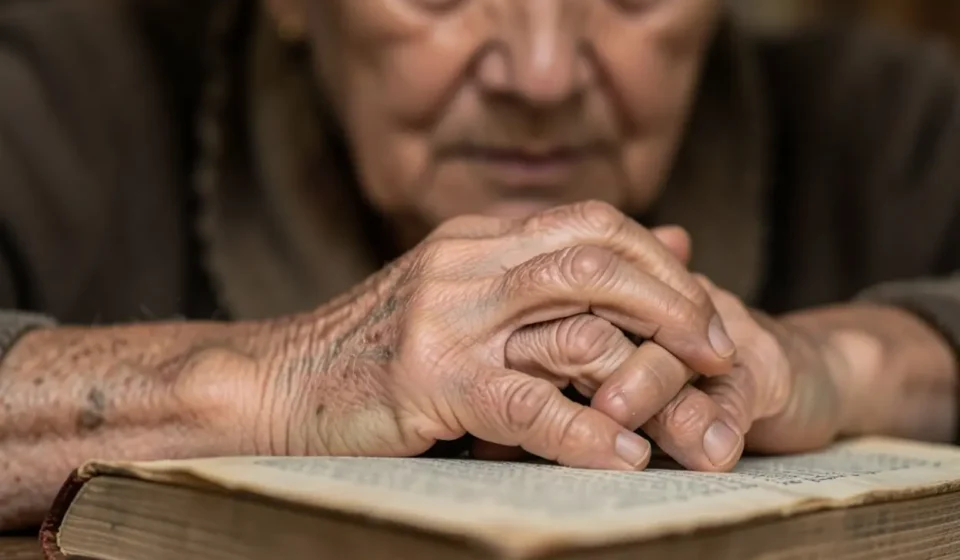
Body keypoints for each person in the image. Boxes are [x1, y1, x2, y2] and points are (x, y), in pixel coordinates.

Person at [1, 0, 958, 531]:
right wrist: (271, 379)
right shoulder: (60, 91)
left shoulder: (887, 120)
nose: (541, 75)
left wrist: (861, 360)